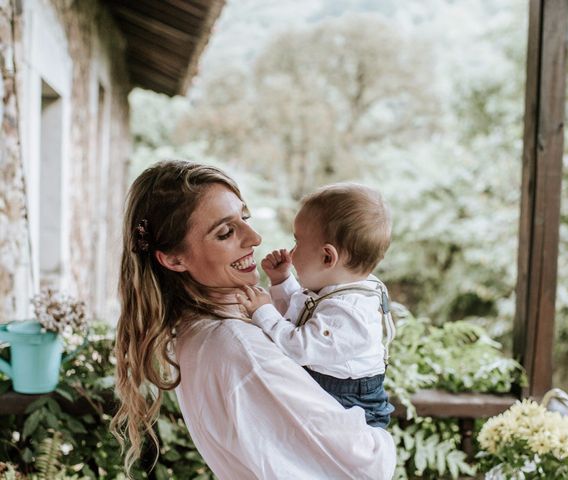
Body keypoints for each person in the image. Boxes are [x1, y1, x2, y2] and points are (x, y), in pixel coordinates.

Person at [110, 160, 396, 480]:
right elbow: (369, 466)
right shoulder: (240, 347)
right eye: (226, 232)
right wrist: (383, 441)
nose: (255, 237)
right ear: (175, 259)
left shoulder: (197, 333)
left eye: (244, 218)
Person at [237, 183, 396, 429]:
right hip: (331, 387)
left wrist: (263, 312)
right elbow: (301, 314)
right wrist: (282, 281)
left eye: (297, 241)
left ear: (327, 257)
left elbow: (298, 345)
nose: (292, 250)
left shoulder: (350, 313)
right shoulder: (336, 287)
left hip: (351, 402)